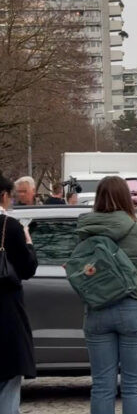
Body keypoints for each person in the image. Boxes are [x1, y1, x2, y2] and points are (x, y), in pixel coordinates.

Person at [77, 176, 137, 414]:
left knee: (101, 385)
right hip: (135, 307)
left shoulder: (85, 229)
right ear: (128, 199)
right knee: (134, 386)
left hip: (98, 308)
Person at [0, 173, 38, 414]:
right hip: (6, 313)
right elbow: (27, 269)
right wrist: (29, 243)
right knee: (9, 379)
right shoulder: (10, 227)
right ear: (3, 195)